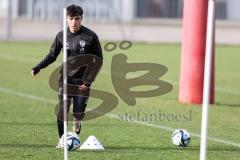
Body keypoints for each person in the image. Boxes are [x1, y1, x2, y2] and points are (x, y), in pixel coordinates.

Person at [31, 5, 103, 148]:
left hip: (82, 82)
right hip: (65, 80)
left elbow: (99, 60)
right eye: (71, 19)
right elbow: (52, 55)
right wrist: (38, 67)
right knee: (62, 112)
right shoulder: (61, 36)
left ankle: (75, 133)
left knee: (78, 113)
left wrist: (88, 81)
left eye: (77, 19)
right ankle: (62, 140)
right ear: (66, 19)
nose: (74, 22)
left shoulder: (91, 36)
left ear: (81, 19)